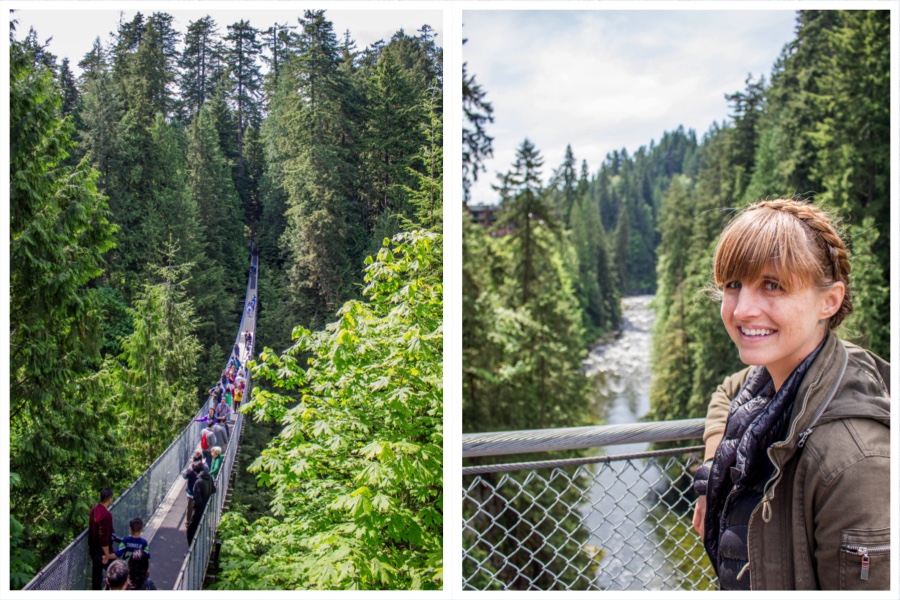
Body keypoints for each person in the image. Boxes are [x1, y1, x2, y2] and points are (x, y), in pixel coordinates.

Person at [691, 199, 889, 590]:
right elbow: (726, 392)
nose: (744, 309)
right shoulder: (772, 378)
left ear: (829, 301)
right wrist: (711, 474)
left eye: (773, 286)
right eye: (734, 285)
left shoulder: (852, 462)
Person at [89, 487, 118, 590]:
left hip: (94, 550)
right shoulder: (106, 515)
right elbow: (103, 536)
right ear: (110, 499)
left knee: (96, 577)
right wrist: (107, 555)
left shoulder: (94, 509)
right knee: (115, 573)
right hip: (102, 552)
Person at [186, 462, 213, 545]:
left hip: (199, 511)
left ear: (197, 472)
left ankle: (191, 551)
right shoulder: (209, 478)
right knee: (200, 529)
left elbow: (196, 499)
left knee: (190, 531)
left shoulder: (198, 482)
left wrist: (195, 506)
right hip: (206, 508)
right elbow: (214, 489)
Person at [182, 451, 208, 525]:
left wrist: (189, 467)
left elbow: (184, 476)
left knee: (189, 507)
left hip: (191, 491)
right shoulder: (204, 467)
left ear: (193, 459)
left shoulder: (191, 469)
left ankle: (188, 522)